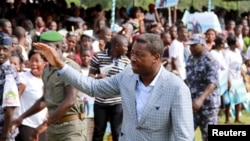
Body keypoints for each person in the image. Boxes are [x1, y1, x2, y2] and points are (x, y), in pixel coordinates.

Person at [33, 33, 194, 141]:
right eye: (132, 53)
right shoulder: (127, 77)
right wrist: (60, 65)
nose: (133, 59)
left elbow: (184, 138)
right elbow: (92, 87)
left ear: (156, 58)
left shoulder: (177, 89)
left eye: (139, 55)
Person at [12, 31, 87, 141]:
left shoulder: (70, 67)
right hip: (53, 129)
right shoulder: (47, 70)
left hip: (71, 128)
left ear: (56, 47)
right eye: (40, 48)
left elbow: (70, 100)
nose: (41, 52)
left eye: (45, 48)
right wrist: (22, 117)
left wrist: (45, 124)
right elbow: (44, 100)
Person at [88, 34, 130, 141]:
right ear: (116, 46)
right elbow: (90, 76)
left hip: (117, 102)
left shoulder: (126, 61)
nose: (127, 49)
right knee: (98, 132)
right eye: (125, 46)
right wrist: (97, 77)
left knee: (117, 132)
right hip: (100, 101)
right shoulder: (99, 56)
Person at [185, 34, 220, 141]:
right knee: (186, 134)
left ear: (202, 44)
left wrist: (200, 99)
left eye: (194, 45)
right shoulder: (190, 59)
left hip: (208, 106)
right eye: (190, 46)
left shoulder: (210, 60)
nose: (191, 48)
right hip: (192, 106)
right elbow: (189, 80)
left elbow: (213, 82)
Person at [14, 49, 48, 141]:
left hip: (41, 126)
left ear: (45, 63)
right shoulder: (24, 78)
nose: (33, 64)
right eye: (31, 61)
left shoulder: (48, 80)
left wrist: (46, 123)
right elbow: (14, 100)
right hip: (25, 123)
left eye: (37, 61)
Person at [0, 32, 20, 140]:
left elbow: (10, 108)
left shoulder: (9, 73)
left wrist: (4, 135)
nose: (1, 52)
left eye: (5, 49)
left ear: (10, 51)